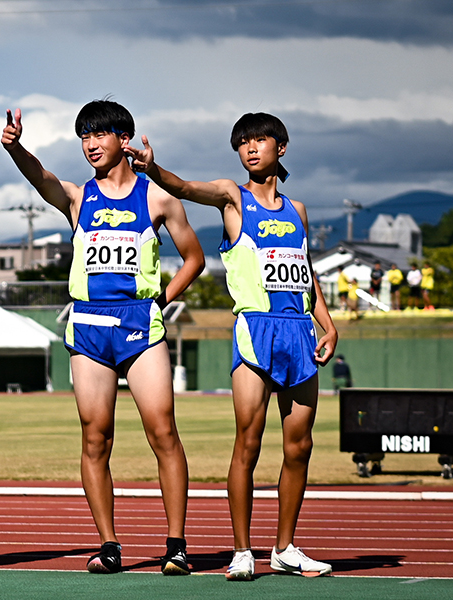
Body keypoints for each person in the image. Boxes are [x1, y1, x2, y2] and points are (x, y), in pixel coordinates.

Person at [127, 112, 337, 579]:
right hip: (255, 332)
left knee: (299, 447)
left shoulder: (298, 210)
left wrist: (328, 324)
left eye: (260, 139)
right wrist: (152, 169)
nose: (250, 148)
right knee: (248, 443)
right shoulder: (231, 196)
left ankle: (285, 548)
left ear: (280, 147)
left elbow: (307, 275)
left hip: (299, 333)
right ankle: (242, 551)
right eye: (242, 142)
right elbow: (184, 188)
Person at [2, 100, 205, 576]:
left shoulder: (158, 199)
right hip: (89, 326)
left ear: (123, 139)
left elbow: (193, 257)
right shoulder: (77, 197)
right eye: (84, 136)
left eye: (99, 134)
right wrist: (16, 149)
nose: (90, 144)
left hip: (140, 324)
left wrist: (160, 300)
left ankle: (176, 545)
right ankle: (109, 544)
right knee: (96, 438)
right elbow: (42, 178)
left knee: (163, 433)